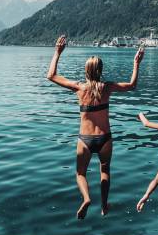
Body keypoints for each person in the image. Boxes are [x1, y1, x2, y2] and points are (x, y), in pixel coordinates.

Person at [47, 35, 145, 218]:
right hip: (104, 139)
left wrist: (57, 52)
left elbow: (50, 75)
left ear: (86, 70)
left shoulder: (79, 88)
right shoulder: (107, 88)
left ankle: (86, 198)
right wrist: (136, 63)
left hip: (84, 140)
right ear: (101, 70)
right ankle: (104, 204)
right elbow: (132, 85)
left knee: (80, 173)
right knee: (105, 170)